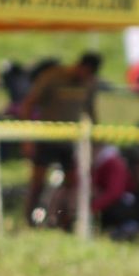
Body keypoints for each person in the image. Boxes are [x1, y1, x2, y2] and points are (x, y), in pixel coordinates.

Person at [17, 51, 102, 223]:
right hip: (46, 138)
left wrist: (96, 140)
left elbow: (91, 112)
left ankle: (64, 220)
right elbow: (28, 103)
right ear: (80, 65)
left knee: (71, 184)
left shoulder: (89, 83)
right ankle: (28, 220)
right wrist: (27, 137)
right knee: (37, 183)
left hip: (68, 142)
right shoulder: (53, 77)